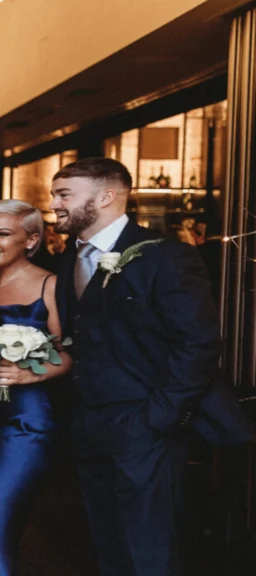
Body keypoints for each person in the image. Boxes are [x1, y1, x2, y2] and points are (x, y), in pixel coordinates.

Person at [50, 157, 253, 576]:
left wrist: (157, 417)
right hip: (90, 424)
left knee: (151, 547)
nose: (54, 203)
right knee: (108, 543)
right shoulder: (71, 260)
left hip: (145, 426)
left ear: (105, 197)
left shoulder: (167, 257)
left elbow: (197, 343)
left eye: (64, 194)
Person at [0, 199, 71, 575]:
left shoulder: (50, 284)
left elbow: (75, 353)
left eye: (2, 234)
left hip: (25, 423)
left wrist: (31, 374)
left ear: (31, 239)